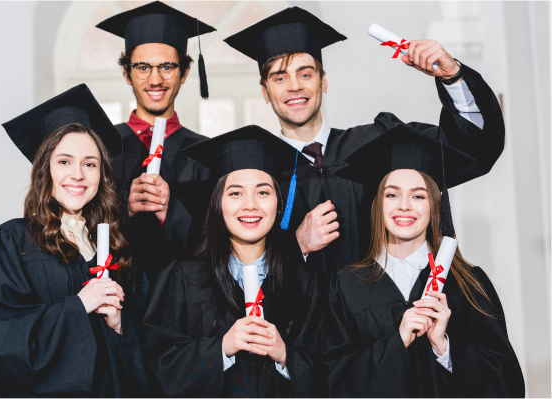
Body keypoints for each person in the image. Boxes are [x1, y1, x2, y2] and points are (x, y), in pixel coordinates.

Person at [224, 7, 505, 275]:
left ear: (323, 81)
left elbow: (474, 150)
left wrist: (452, 76)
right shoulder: (255, 175)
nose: (295, 86)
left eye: (306, 74)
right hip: (298, 324)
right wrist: (295, 246)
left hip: (389, 320)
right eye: (280, 78)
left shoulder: (381, 143)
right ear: (264, 91)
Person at [0, 84, 148, 397]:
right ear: (45, 170)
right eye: (64, 161)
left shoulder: (116, 249)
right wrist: (79, 306)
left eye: (89, 163)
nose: (77, 174)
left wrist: (120, 327)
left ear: (101, 174)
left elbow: (149, 347)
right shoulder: (12, 242)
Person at [320, 125, 525, 397]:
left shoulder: (468, 283)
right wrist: (397, 341)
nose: (404, 206)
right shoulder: (346, 286)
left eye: (418, 195)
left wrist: (445, 348)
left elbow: (506, 383)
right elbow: (330, 380)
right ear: (378, 203)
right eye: (392, 194)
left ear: (436, 205)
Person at [143, 126, 325, 397]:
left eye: (263, 192)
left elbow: (333, 369)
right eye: (235, 193)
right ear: (217, 203)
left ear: (279, 203)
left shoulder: (305, 282)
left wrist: (286, 356)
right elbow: (157, 366)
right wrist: (221, 348)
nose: (250, 205)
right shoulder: (181, 279)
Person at [97, 1, 217, 280]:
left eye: (167, 66)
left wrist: (170, 212)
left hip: (184, 302)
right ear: (127, 74)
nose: (155, 79)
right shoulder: (100, 146)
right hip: (116, 298)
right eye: (142, 67)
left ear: (184, 73)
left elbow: (218, 241)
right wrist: (123, 207)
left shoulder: (207, 154)